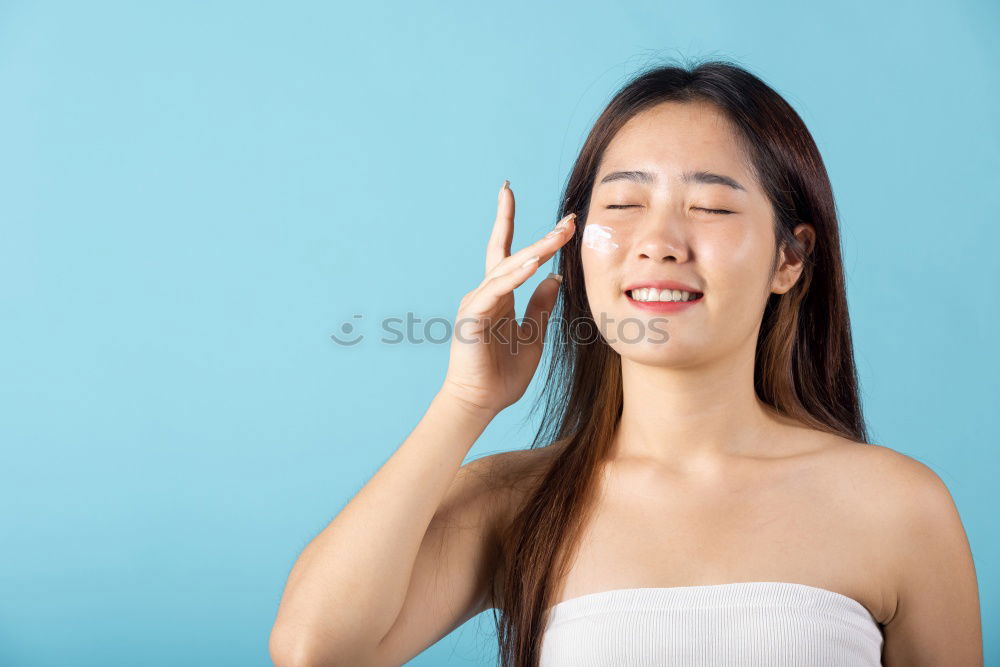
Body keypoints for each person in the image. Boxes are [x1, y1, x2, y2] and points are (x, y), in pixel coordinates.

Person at [269, 60, 983, 667]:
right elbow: (315, 648)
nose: (659, 240)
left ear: (789, 258)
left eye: (710, 206)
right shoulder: (521, 502)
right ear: (576, 249)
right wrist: (465, 402)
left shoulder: (900, 507)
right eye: (622, 203)